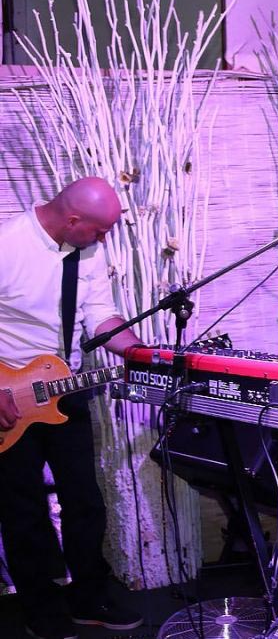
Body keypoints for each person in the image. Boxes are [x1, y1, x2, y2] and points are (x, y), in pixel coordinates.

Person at [0, 177, 145, 639]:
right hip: (10, 399)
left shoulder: (87, 250)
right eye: (99, 230)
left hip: (66, 389)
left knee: (84, 499)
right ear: (72, 219)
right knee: (22, 509)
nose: (104, 239)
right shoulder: (8, 244)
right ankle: (39, 607)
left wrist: (140, 353)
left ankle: (88, 595)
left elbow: (100, 315)